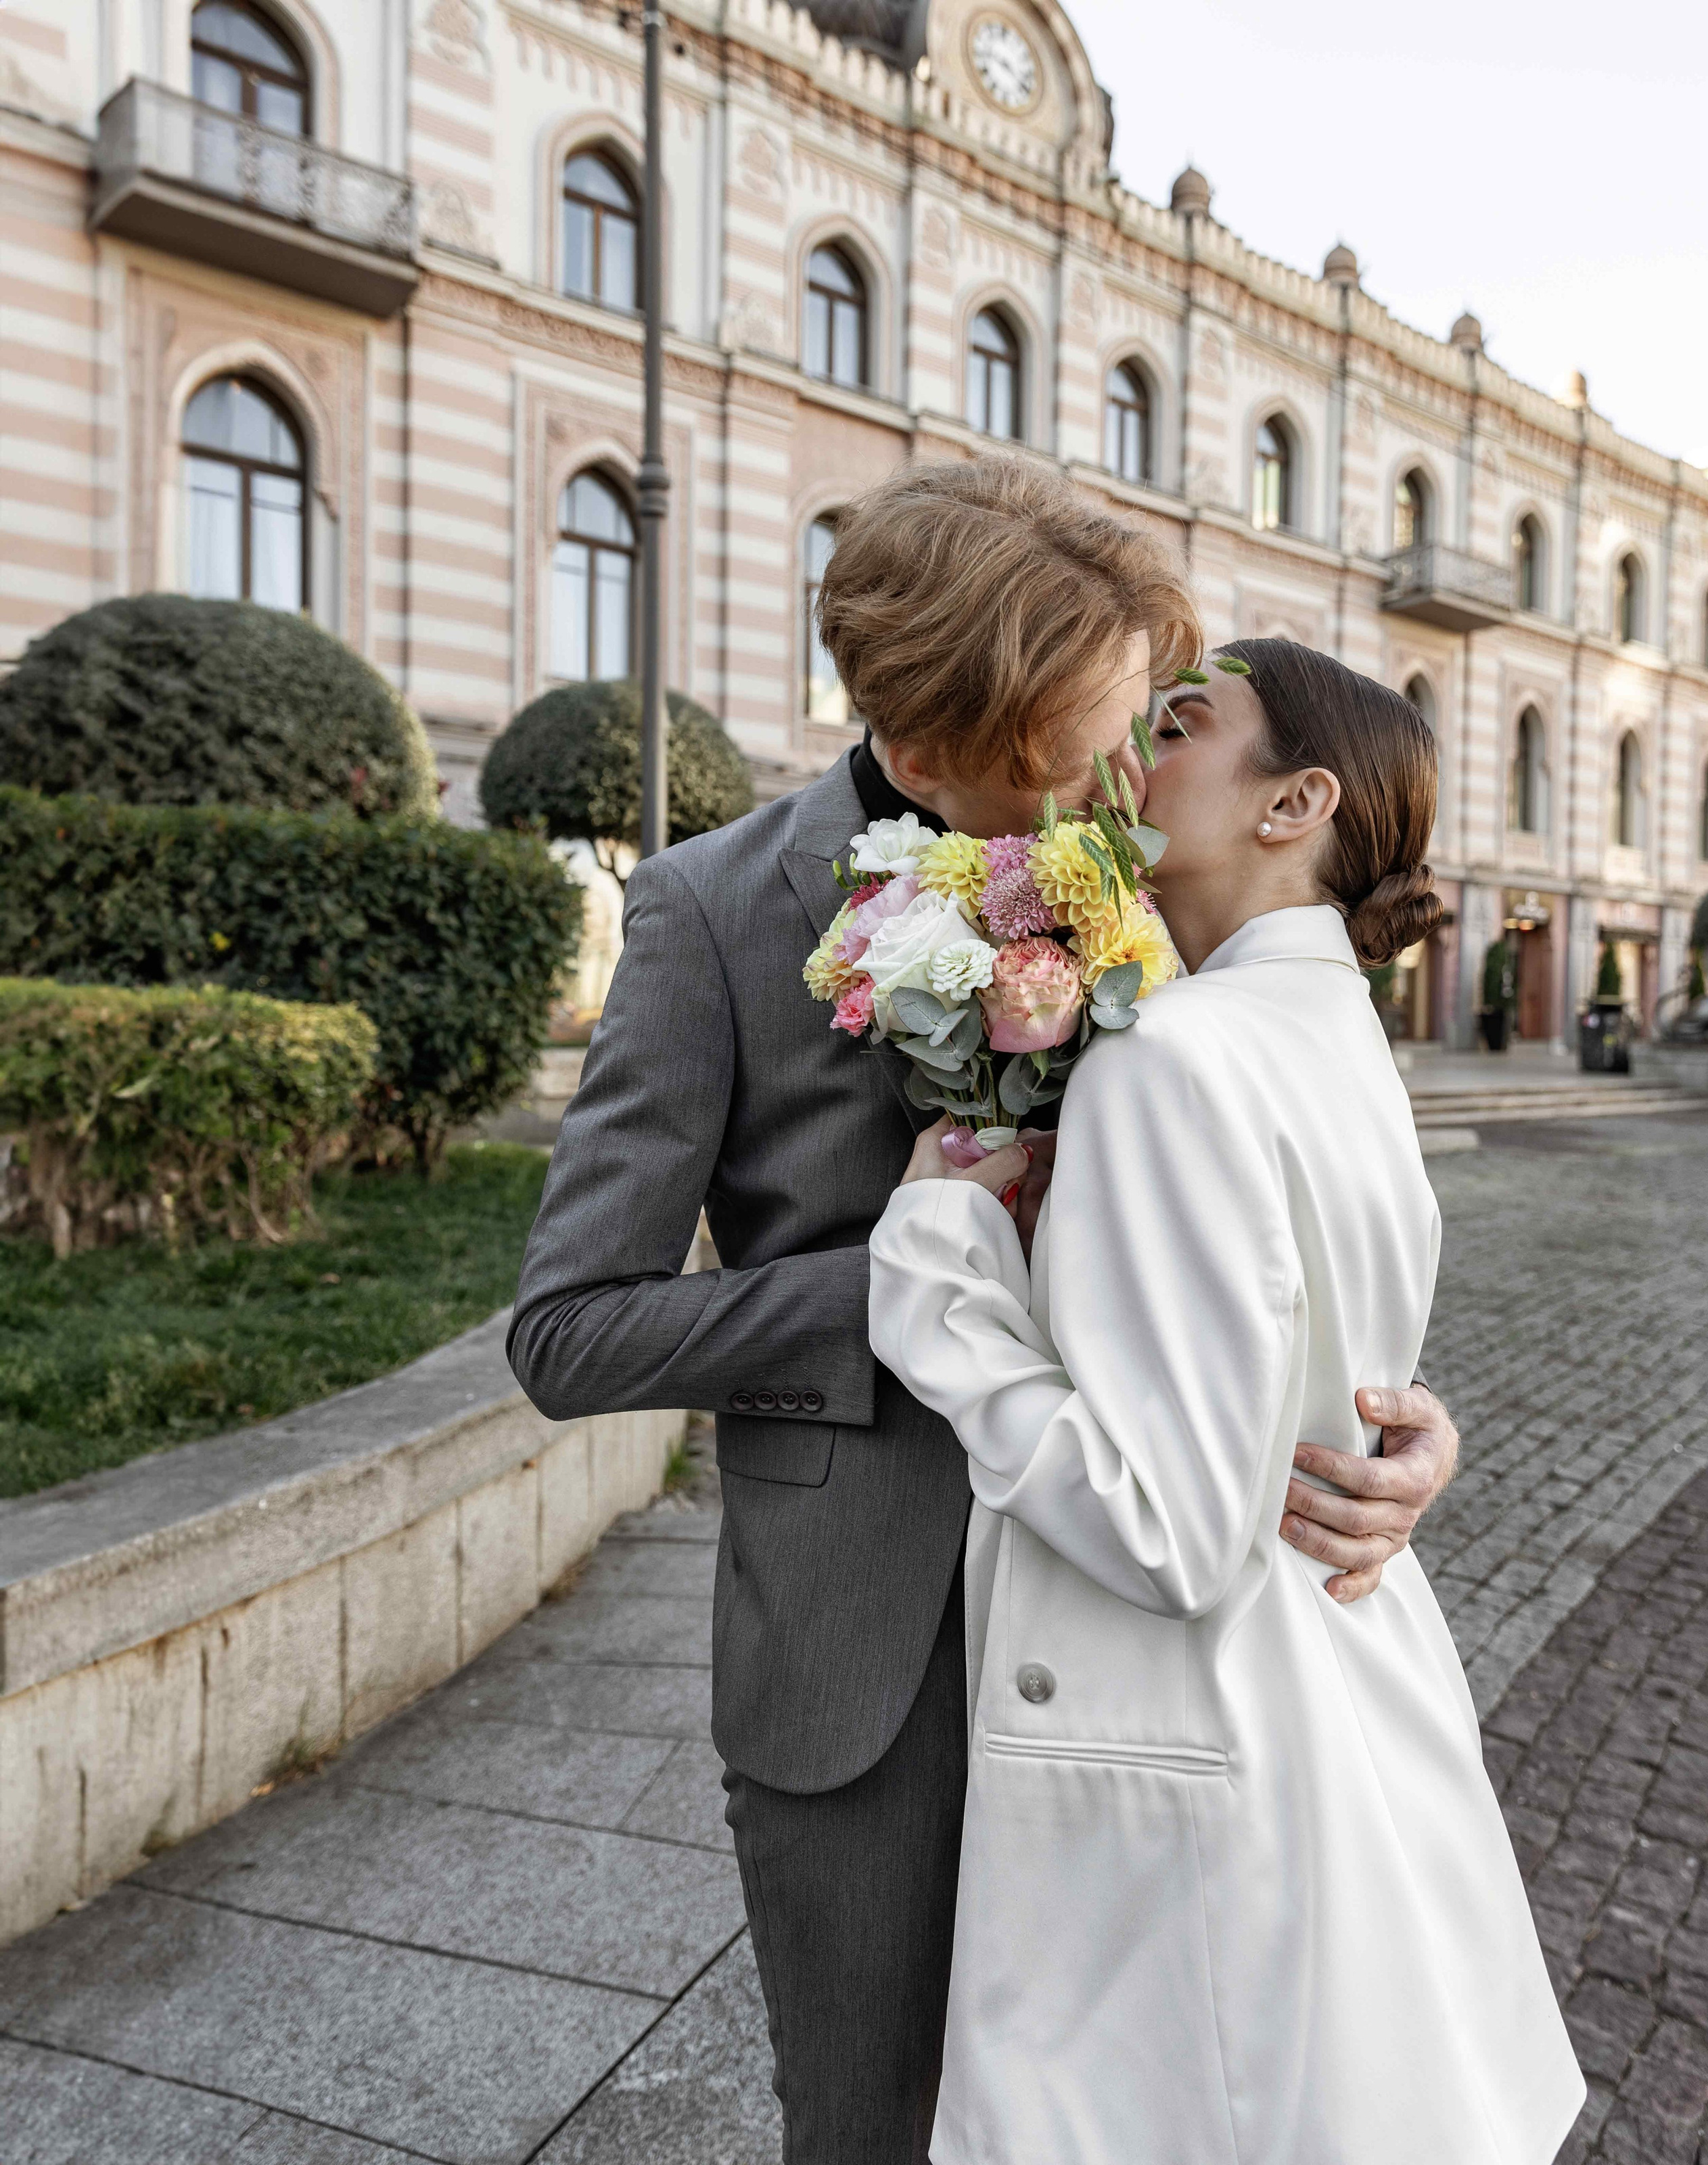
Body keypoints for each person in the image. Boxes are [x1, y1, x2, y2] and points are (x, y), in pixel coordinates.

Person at [508, 465, 1462, 2163]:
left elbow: (1259, 1206)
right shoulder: (711, 912)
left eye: (1146, 720)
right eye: (1087, 728)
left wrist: (1391, 1419)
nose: (1118, 769)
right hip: (870, 1671)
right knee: (872, 2130)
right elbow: (568, 1331)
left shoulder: (1149, 886)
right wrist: (904, 1270)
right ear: (939, 730)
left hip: (1146, 1658)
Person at [868, 637, 1584, 2164]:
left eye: (1182, 724)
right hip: (1339, 1687)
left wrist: (937, 1259)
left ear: (1294, 803)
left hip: (1198, 1734)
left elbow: (1162, 1527)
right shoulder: (1338, 1042)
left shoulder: (1174, 1054)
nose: (1136, 750)